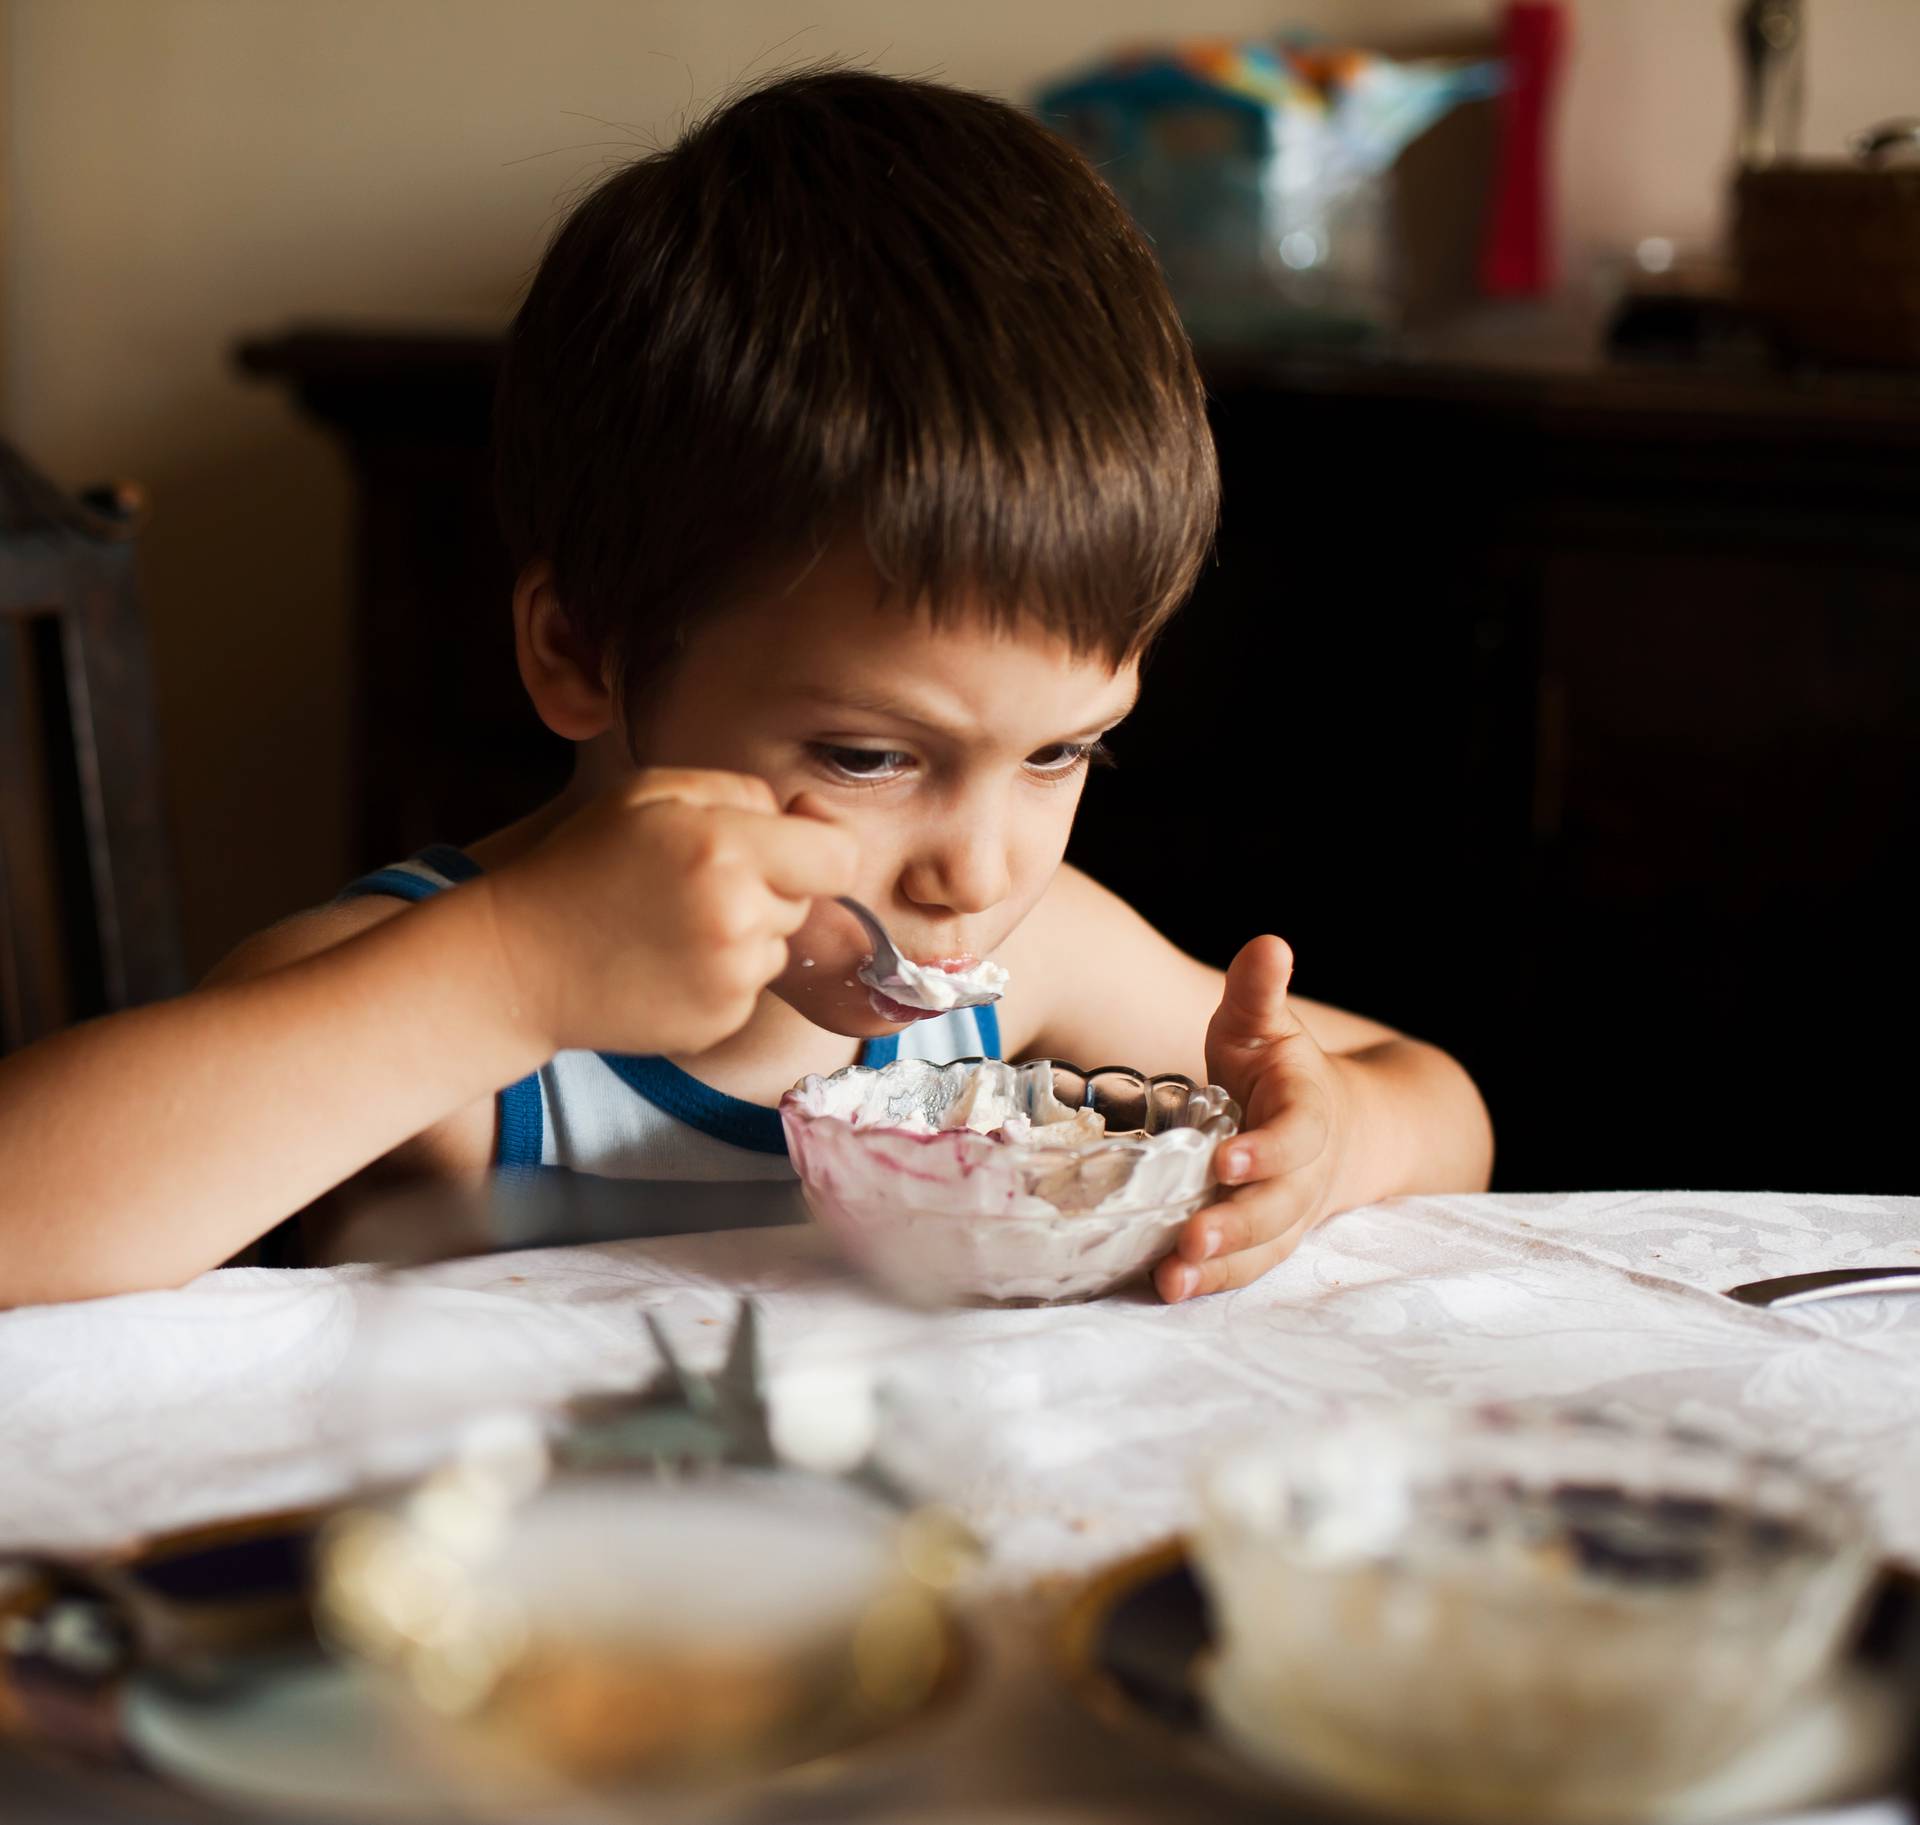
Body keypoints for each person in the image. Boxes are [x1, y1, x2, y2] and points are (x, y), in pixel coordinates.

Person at [0, 66, 1491, 1310]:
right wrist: (512, 973)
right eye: (866, 756)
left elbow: (1436, 1100)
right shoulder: (459, 1020)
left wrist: (1330, 1136)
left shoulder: (1016, 990)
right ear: (580, 653)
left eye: (1063, 754)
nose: (981, 868)